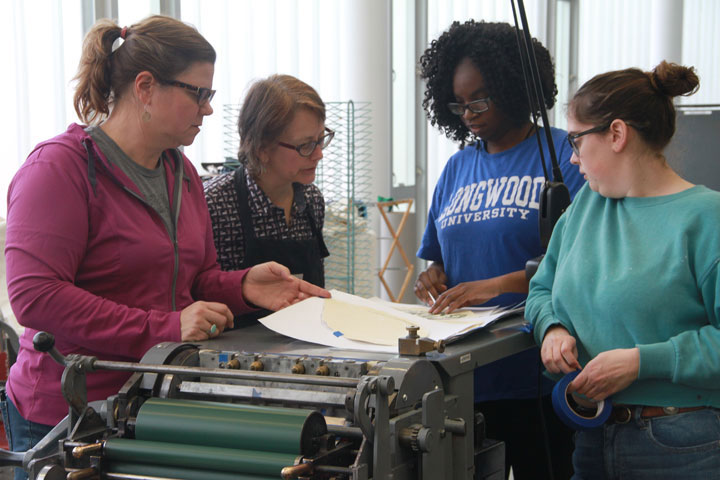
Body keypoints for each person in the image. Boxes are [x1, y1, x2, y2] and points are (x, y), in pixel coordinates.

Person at [0, 16, 328, 479]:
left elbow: (195, 280)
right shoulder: (60, 170)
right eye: (199, 93)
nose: (208, 109)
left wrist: (244, 286)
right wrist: (164, 326)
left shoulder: (181, 173)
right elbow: (35, 297)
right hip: (66, 415)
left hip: (152, 402)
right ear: (146, 87)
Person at [526, 60, 720, 479]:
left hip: (682, 442)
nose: (573, 159)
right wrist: (552, 327)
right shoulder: (585, 208)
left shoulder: (706, 219)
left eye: (576, 141)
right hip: (593, 437)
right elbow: (541, 289)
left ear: (616, 134)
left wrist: (640, 363)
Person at [414, 20, 585, 480]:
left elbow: (578, 264)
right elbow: (440, 260)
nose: (469, 112)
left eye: (480, 99)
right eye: (459, 102)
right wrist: (433, 277)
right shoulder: (456, 168)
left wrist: (491, 287)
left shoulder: (563, 158)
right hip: (464, 380)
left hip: (538, 373)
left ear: (516, 86)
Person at [204, 74, 331, 311]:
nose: (318, 154)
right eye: (305, 145)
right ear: (262, 148)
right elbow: (199, 290)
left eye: (320, 140)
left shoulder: (312, 200)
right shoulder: (215, 203)